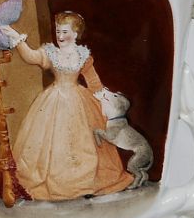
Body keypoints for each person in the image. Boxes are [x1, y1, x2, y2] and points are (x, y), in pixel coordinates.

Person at [9, 12, 133, 201]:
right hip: (54, 101)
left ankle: (84, 183)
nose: (60, 36)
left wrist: (106, 103)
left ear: (75, 34)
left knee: (83, 142)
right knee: (54, 142)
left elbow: (94, 83)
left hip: (79, 102)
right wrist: (16, 38)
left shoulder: (83, 55)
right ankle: (62, 184)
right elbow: (31, 57)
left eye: (64, 32)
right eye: (58, 31)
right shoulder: (51, 53)